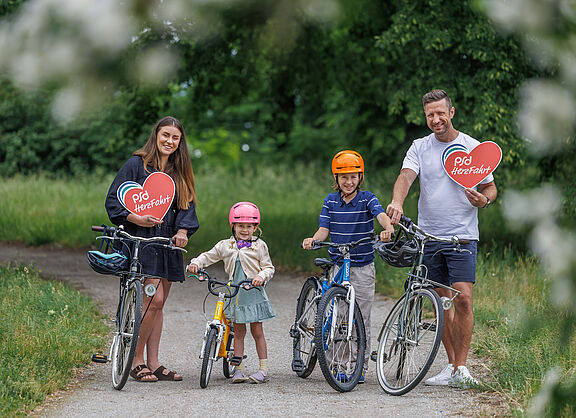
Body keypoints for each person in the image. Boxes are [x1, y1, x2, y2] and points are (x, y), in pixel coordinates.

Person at [386, 89, 498, 388]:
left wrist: (483, 201)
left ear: (451, 112)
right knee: (441, 302)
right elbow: (405, 177)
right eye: (429, 115)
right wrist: (397, 201)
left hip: (462, 236)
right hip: (429, 236)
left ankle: (463, 368)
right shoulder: (420, 147)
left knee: (463, 299)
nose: (435, 119)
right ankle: (451, 366)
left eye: (439, 113)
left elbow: (490, 188)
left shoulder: (472, 148)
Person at [106, 116, 199, 382]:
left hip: (167, 242)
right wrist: (136, 218)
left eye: (175, 137)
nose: (169, 141)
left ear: (180, 142)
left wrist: (182, 231)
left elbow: (187, 206)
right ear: (156, 135)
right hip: (140, 240)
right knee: (152, 300)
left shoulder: (179, 171)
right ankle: (135, 361)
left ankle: (154, 362)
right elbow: (113, 201)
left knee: (159, 305)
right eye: (165, 135)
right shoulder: (137, 165)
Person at [302, 150, 394, 382]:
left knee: (360, 317)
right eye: (344, 177)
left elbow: (381, 215)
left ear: (360, 177)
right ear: (336, 179)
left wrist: (388, 228)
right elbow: (324, 229)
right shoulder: (330, 201)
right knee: (340, 318)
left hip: (362, 266)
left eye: (353, 176)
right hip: (338, 265)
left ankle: (358, 365)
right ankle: (339, 365)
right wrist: (314, 239)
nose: (349, 181)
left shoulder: (367, 198)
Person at [187, 202, 275, 384]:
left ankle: (263, 369)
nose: (244, 230)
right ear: (233, 226)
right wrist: (196, 263)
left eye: (249, 226)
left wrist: (261, 276)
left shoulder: (259, 246)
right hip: (235, 293)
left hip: (253, 292)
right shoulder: (225, 246)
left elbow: (268, 267)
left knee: (257, 331)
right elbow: (208, 256)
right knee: (239, 331)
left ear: (256, 227)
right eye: (240, 226)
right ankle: (239, 369)